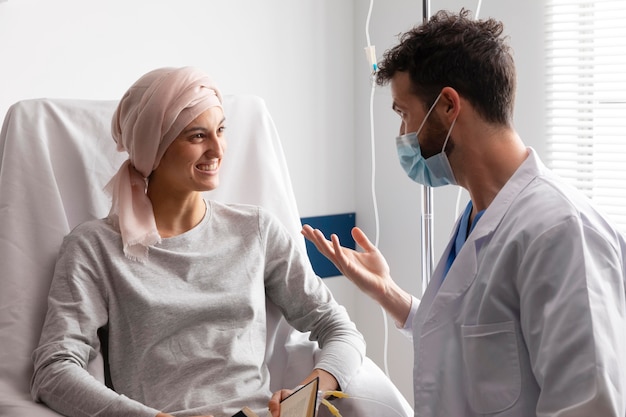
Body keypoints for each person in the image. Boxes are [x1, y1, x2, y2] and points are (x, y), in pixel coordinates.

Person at [302, 9, 626, 417]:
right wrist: (387, 292)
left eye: (404, 113)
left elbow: (587, 406)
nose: (402, 136)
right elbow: (469, 345)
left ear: (448, 106)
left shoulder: (560, 231)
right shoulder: (482, 216)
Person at [30, 66, 365, 417]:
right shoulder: (94, 247)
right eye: (197, 136)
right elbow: (53, 370)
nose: (218, 148)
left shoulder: (257, 230)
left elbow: (338, 328)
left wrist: (308, 392)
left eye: (221, 130)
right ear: (153, 151)